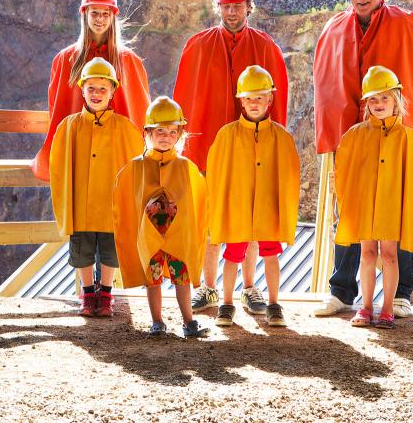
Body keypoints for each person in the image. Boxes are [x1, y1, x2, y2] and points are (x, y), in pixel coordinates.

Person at [312, 0, 413, 318]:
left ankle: (401, 294)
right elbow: (327, 88)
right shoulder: (334, 29)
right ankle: (341, 291)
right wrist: (335, 137)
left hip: (396, 137)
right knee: (352, 211)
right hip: (356, 141)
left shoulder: (404, 24)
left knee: (397, 211)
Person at [172, 0, 290, 315]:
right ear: (218, 6)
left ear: (249, 5)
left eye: (238, 5)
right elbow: (184, 101)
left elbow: (278, 105)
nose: (232, 12)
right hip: (209, 150)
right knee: (212, 220)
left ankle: (250, 289)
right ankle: (207, 287)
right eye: (226, 5)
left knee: (251, 221)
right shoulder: (197, 46)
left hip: (254, 150)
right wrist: (184, 150)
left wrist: (271, 151)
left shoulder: (266, 47)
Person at [333, 66, 413, 328]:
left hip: (391, 206)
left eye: (385, 97)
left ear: (396, 100)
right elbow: (345, 173)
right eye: (373, 99)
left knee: (389, 256)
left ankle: (387, 308)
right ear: (366, 103)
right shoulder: (355, 136)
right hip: (366, 204)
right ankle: (366, 307)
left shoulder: (409, 139)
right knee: (366, 254)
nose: (379, 104)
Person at [49, 57, 144, 317]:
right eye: (91, 88)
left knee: (111, 251)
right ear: (82, 90)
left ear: (112, 91)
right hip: (81, 203)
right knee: (82, 249)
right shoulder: (69, 126)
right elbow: (59, 168)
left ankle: (106, 293)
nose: (97, 93)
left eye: (103, 88)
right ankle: (88, 293)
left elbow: (137, 168)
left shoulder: (125, 128)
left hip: (112, 205)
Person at [206, 66, 300, 327]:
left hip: (267, 208)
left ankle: (274, 304)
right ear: (241, 101)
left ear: (270, 98)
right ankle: (226, 304)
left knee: (271, 254)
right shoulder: (227, 135)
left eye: (259, 97)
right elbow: (217, 175)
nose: (254, 103)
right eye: (249, 98)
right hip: (237, 207)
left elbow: (289, 177)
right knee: (232, 255)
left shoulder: (282, 137)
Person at [113, 97, 210, 338]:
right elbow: (127, 205)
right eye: (160, 131)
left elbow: (196, 205)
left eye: (172, 132)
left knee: (182, 279)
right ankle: (157, 323)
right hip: (150, 239)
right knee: (152, 279)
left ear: (179, 135)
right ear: (148, 132)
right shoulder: (136, 168)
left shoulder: (186, 168)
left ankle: (189, 322)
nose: (166, 137)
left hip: (178, 238)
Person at [32, 0, 150, 182]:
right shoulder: (65, 59)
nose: (99, 19)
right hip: (79, 151)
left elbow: (140, 109)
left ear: (112, 17)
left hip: (116, 153)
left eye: (105, 14)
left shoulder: (129, 61)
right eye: (94, 13)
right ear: (84, 14)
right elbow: (58, 108)